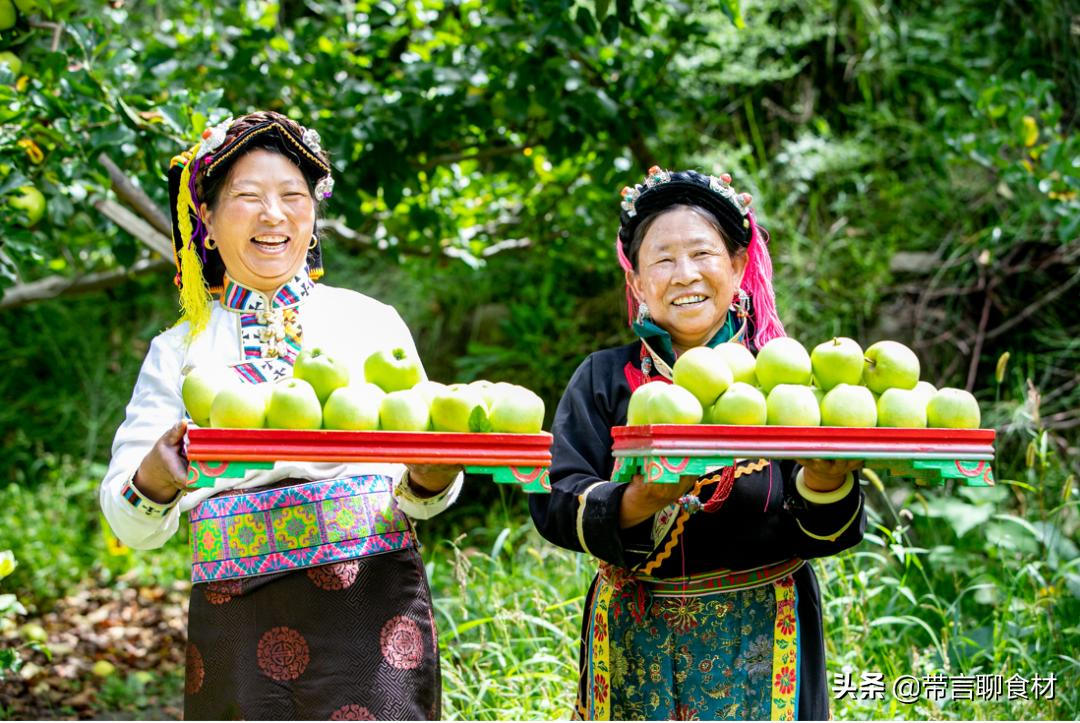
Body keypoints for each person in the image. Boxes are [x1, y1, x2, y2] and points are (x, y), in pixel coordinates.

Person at [100, 111, 462, 720]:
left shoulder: (370, 323)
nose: (273, 215)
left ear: (313, 215)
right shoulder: (179, 350)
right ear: (207, 219)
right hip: (237, 611)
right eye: (248, 197)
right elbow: (127, 518)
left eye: (293, 196)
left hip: (370, 598)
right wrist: (156, 478)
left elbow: (425, 491)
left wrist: (431, 476)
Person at [529, 167, 866, 720]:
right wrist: (640, 500)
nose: (684, 274)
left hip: (765, 638)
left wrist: (825, 481)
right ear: (638, 283)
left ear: (737, 266)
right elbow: (556, 500)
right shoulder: (603, 379)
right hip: (635, 639)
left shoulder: (786, 384)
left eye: (702, 254)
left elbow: (827, 532)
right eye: (662, 260)